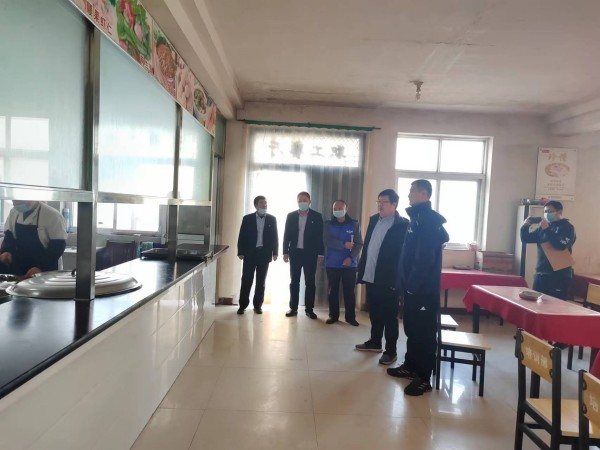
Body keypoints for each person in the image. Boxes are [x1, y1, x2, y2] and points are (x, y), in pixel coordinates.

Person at [387, 179, 449, 396]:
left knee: (424, 333)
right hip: (412, 287)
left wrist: (412, 285)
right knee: (412, 329)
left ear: (424, 194)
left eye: (412, 191)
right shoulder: (418, 218)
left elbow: (424, 259)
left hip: (423, 289)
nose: (409, 194)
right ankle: (411, 366)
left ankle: (423, 377)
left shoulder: (428, 221)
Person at [355, 189, 409, 365]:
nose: (380, 205)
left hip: (389, 279)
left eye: (384, 202)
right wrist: (362, 269)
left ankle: (391, 351)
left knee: (389, 316)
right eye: (378, 201)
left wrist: (398, 279)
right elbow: (368, 246)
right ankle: (375, 341)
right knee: (375, 312)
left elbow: (403, 255)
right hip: (371, 275)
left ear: (394, 204)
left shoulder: (402, 225)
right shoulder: (373, 220)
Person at [520, 200, 576, 300]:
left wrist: (547, 230)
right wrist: (525, 226)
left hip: (559, 276)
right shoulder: (543, 227)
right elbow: (525, 239)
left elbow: (561, 245)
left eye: (550, 211)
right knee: (535, 303)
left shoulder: (567, 227)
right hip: (541, 274)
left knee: (556, 305)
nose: (547, 214)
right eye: (545, 211)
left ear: (559, 212)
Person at [282, 191, 324, 319]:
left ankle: (309, 309)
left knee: (310, 282)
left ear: (310, 201)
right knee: (294, 281)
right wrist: (285, 252)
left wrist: (321, 253)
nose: (302, 202)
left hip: (310, 254)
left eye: (304, 200)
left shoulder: (317, 216)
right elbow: (286, 235)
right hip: (295, 253)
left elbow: (320, 236)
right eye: (299, 200)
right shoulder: (291, 216)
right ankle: (293, 308)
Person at [0, 200, 67, 278]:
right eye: (14, 202)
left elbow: (58, 246)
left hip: (44, 271)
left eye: (18, 202)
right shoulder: (14, 212)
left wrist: (41, 267)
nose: (15, 204)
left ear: (30, 200)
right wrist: (7, 251)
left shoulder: (52, 215)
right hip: (18, 268)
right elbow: (9, 235)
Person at [236, 195, 279, 314]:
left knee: (261, 282)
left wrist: (275, 252)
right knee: (246, 280)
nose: (264, 205)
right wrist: (240, 251)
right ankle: (242, 305)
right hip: (250, 254)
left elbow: (275, 237)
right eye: (261, 203)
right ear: (256, 205)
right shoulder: (247, 218)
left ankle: (258, 305)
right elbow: (242, 236)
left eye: (265, 203)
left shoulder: (271, 219)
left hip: (264, 254)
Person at [324, 200, 363, 326]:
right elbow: (327, 240)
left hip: (349, 264)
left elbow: (359, 243)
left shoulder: (354, 224)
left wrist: (351, 258)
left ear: (346, 209)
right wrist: (343, 244)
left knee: (349, 292)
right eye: (335, 208)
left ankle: (350, 317)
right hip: (332, 263)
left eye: (340, 208)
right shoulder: (328, 224)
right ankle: (333, 315)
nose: (338, 210)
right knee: (332, 291)